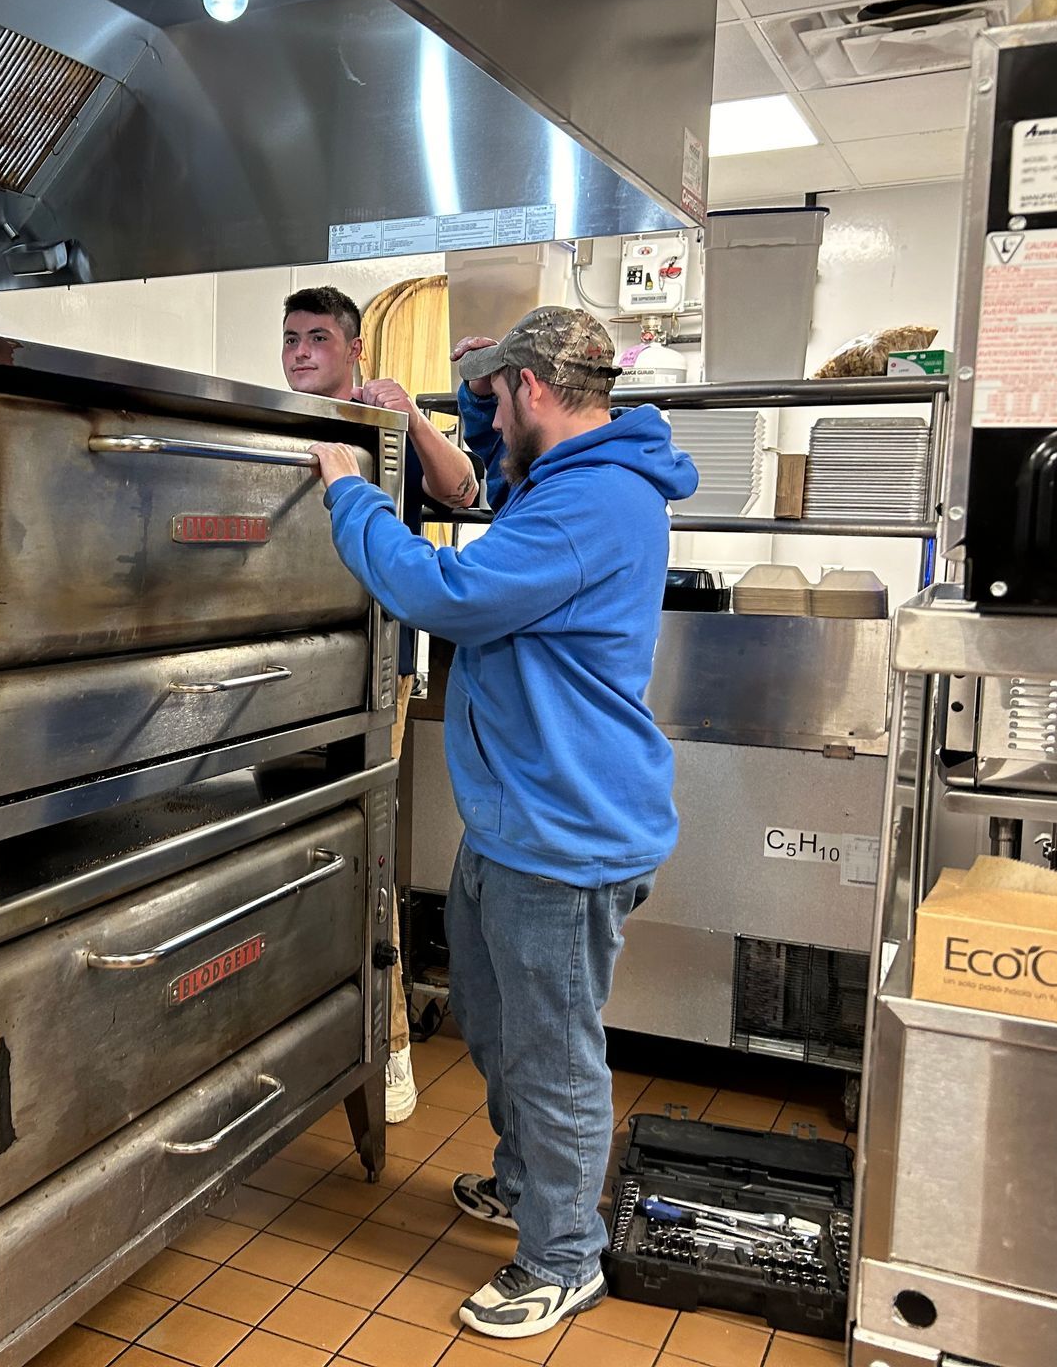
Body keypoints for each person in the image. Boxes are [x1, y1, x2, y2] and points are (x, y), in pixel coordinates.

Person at [305, 306, 697, 1340]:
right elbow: (487, 471)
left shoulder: (592, 505)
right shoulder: (570, 478)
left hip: (564, 833)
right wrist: (444, 403)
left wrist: (349, 497)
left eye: (492, 394)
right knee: (493, 1013)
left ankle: (565, 1255)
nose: (483, 414)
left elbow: (447, 591)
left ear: (530, 390)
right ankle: (533, 1185)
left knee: (552, 1048)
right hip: (519, 817)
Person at [281, 286, 481, 1124]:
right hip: (286, 671)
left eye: (318, 337)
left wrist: (412, 417)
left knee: (365, 858)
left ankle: (389, 1049)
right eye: (290, 338)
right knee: (292, 855)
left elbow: (465, 491)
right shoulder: (269, 426)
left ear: (357, 349)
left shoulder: (383, 429)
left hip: (373, 673)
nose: (299, 352)